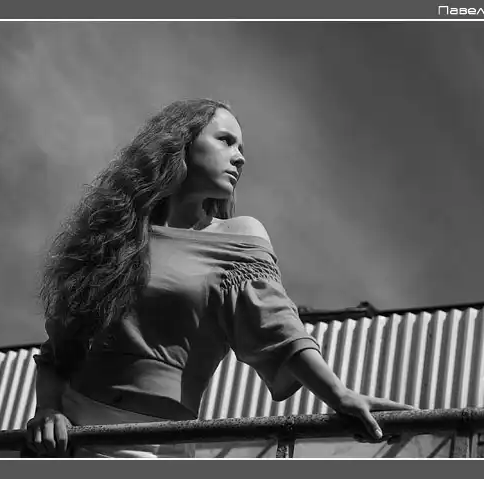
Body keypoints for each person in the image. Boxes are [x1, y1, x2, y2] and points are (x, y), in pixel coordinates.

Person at [25, 99, 412, 458]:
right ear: (181, 144)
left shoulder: (237, 236)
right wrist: (46, 409)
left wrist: (338, 395)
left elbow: (278, 325)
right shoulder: (114, 237)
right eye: (225, 141)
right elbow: (61, 347)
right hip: (75, 435)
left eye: (241, 148)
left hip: (162, 445)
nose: (239, 157)